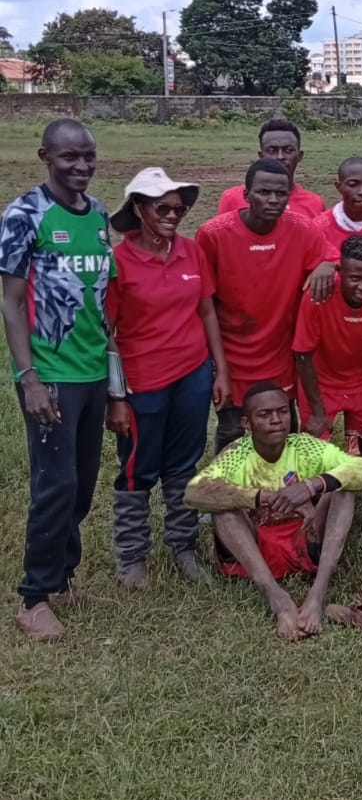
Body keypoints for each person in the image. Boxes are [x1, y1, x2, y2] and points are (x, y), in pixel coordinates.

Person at [1, 120, 118, 642]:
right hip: (51, 375)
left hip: (92, 370)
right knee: (56, 484)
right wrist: (28, 376)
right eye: (70, 157)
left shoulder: (95, 214)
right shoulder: (25, 214)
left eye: (89, 157)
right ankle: (34, 597)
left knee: (83, 483)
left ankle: (64, 578)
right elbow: (10, 301)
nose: (81, 166)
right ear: (45, 155)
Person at [105, 169, 231, 590]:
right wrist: (116, 396)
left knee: (183, 465)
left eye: (180, 208)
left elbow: (208, 312)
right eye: (163, 207)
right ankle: (132, 558)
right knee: (138, 468)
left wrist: (220, 371)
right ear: (138, 209)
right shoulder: (118, 262)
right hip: (142, 382)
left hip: (193, 375)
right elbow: (107, 333)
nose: (173, 215)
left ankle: (183, 547)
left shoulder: (191, 252)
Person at [184, 381, 362, 640]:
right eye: (264, 415)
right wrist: (257, 497)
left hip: (304, 542)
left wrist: (311, 486)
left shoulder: (304, 446)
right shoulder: (236, 454)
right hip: (255, 548)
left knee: (344, 488)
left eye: (283, 411)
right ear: (247, 424)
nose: (276, 420)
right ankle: (278, 600)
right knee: (222, 507)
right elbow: (193, 493)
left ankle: (317, 595)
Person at [197, 159, 333, 450]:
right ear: (245, 195)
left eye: (281, 194)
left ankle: (285, 492)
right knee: (232, 435)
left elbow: (332, 257)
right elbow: (204, 302)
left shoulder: (302, 229)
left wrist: (327, 265)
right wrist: (219, 369)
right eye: (263, 192)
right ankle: (231, 493)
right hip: (232, 358)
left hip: (280, 357)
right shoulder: (213, 234)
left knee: (282, 436)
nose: (273, 200)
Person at [293, 235, 362, 541]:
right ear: (341, 273)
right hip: (321, 379)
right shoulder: (319, 294)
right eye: (355, 278)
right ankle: (311, 524)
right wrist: (316, 411)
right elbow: (303, 354)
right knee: (314, 451)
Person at [216, 118, 326, 220]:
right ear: (261, 156)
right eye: (272, 150)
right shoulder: (232, 198)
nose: (280, 157)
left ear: (299, 156)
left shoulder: (314, 204)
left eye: (288, 150)